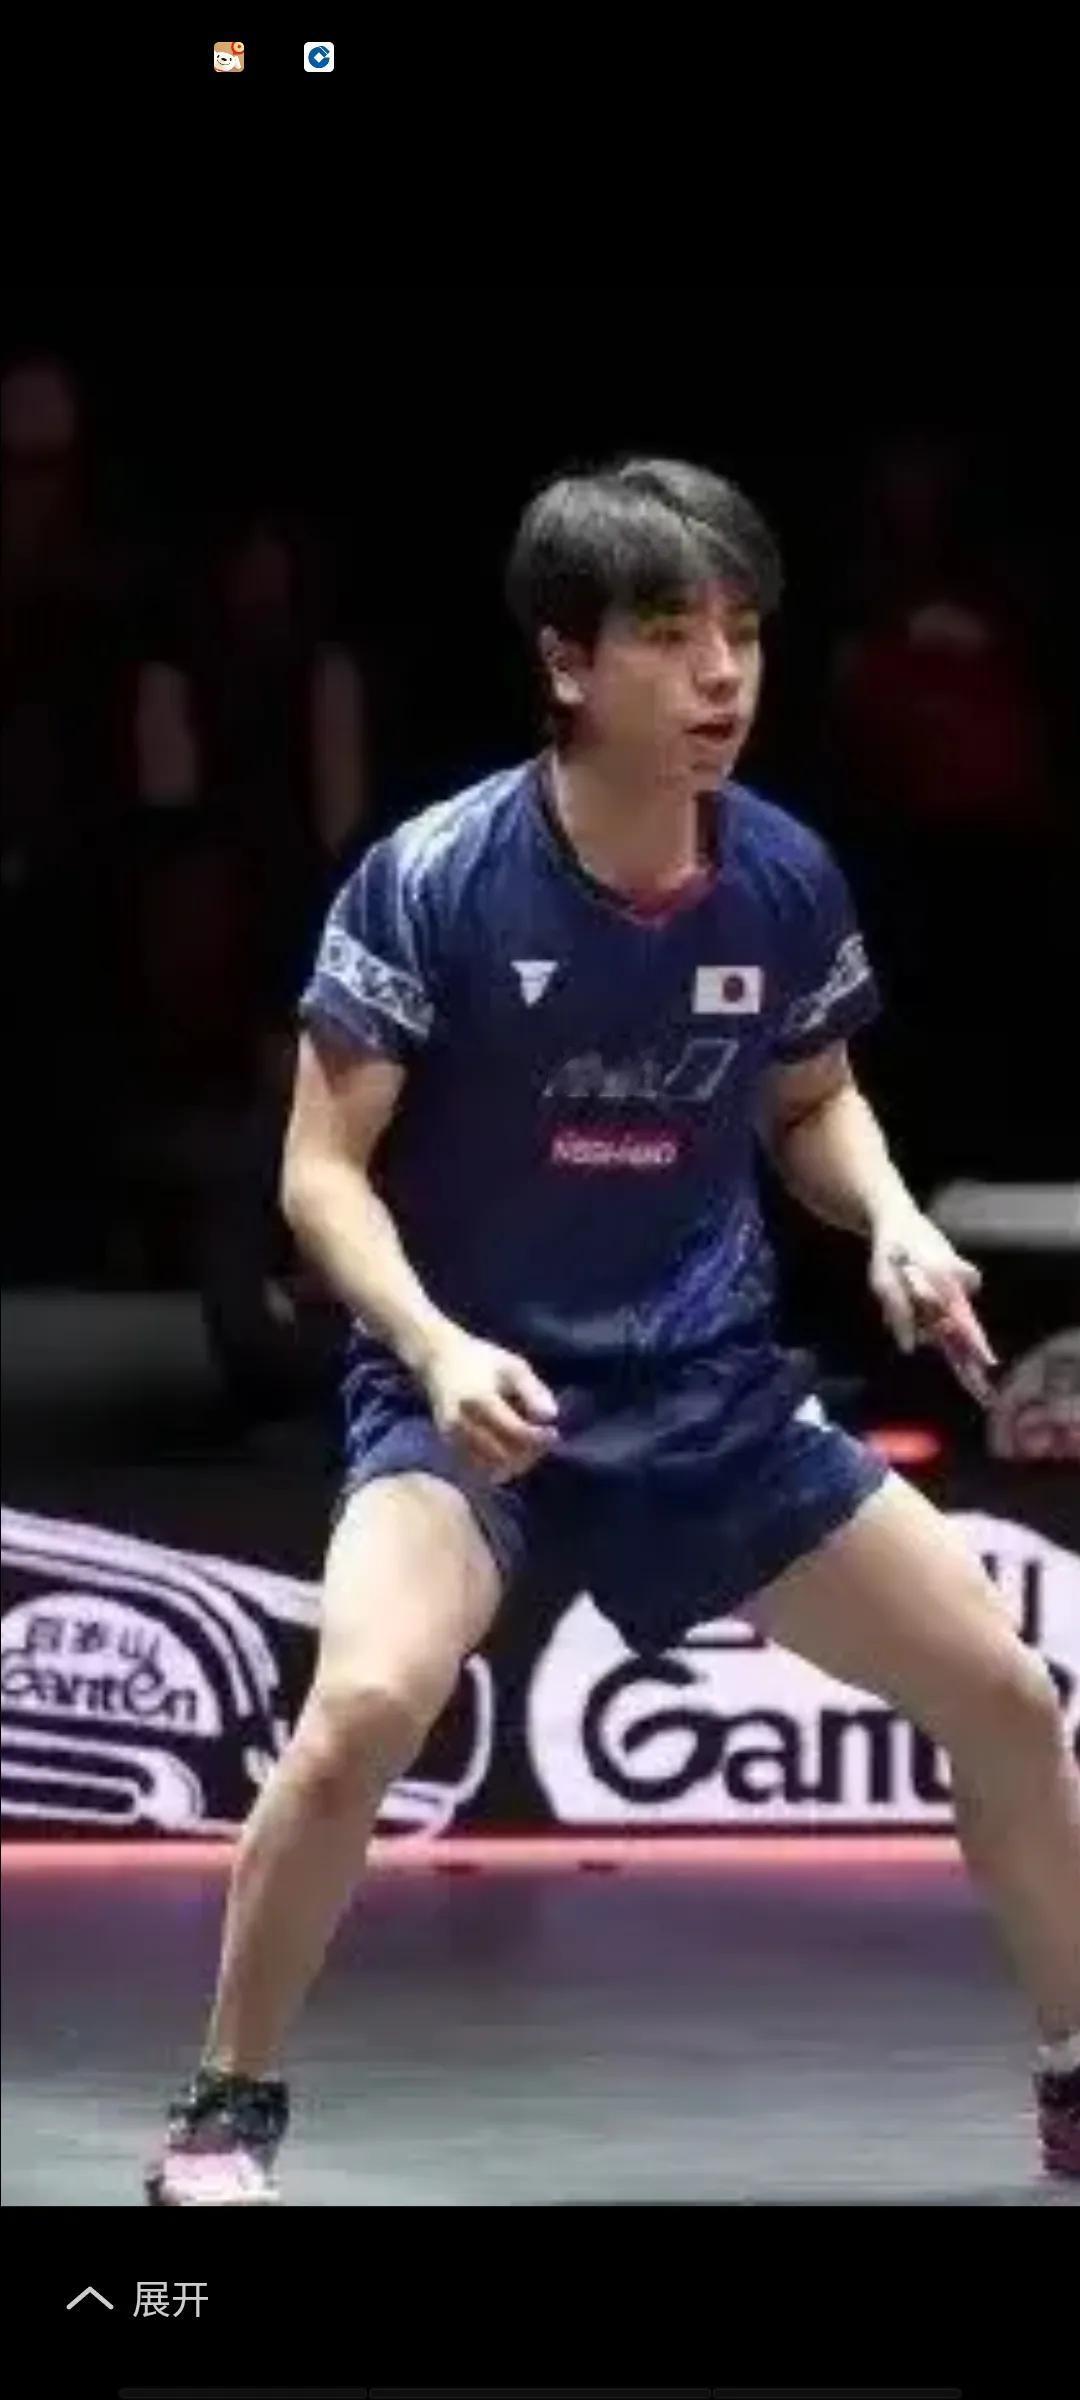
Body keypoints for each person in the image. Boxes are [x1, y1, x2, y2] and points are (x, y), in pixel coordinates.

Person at [146, 457, 1080, 2204]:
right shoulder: (435, 879)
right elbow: (319, 1178)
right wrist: (434, 1348)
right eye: (670, 634)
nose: (722, 674)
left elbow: (813, 1100)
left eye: (743, 632)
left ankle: (1074, 2075)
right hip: (469, 1392)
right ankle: (223, 2109)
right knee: (366, 1706)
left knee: (1008, 1697)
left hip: (708, 1387)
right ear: (569, 662)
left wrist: (888, 1221)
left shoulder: (781, 876)